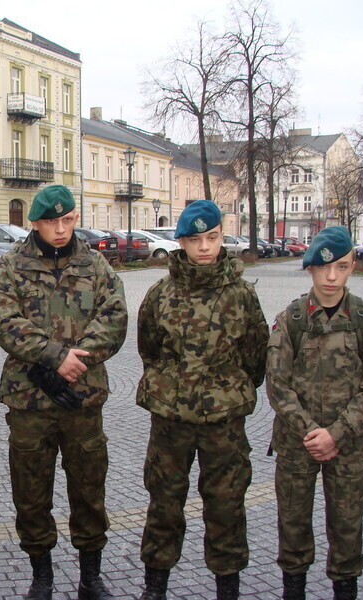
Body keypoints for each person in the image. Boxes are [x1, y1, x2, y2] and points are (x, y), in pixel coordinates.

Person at [0, 185, 127, 600]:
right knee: (31, 491)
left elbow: (114, 318)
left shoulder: (96, 265)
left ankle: (90, 575)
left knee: (88, 486)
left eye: (68, 220)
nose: (61, 229)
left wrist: (73, 364)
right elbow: (4, 321)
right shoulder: (10, 267)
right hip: (29, 400)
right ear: (34, 223)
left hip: (81, 399)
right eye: (51, 221)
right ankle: (41, 574)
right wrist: (52, 357)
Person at [135, 200, 269, 600]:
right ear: (181, 243)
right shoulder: (160, 293)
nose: (204, 247)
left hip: (224, 422)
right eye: (195, 240)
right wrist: (170, 386)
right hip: (171, 420)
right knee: (164, 503)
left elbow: (256, 353)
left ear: (222, 238)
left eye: (211, 238)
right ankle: (155, 587)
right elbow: (149, 348)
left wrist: (228, 389)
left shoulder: (242, 295)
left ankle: (228, 588)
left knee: (227, 506)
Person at [266, 226, 363, 600]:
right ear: (310, 269)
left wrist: (337, 433)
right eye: (323, 268)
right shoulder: (292, 320)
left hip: (347, 447)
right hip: (297, 444)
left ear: (352, 267)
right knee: (293, 528)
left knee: (348, 530)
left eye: (342, 267)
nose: (332, 277)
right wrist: (311, 432)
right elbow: (277, 384)